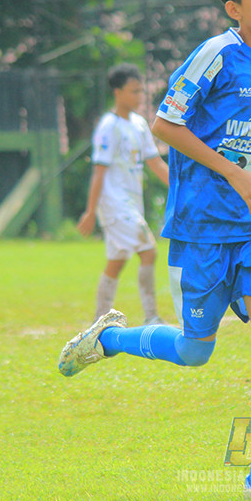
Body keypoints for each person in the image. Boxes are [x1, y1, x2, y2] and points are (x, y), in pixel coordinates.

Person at [58, 0, 251, 499]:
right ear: (233, 7)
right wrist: (233, 174)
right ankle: (113, 339)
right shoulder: (213, 55)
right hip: (201, 226)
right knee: (195, 351)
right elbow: (165, 125)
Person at [77, 63, 170, 325]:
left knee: (117, 260)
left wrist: (180, 189)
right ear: (117, 92)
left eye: (141, 91)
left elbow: (156, 164)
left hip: (131, 204)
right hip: (115, 204)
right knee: (149, 251)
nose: (139, 97)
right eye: (133, 91)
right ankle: (152, 316)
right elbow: (99, 171)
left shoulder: (140, 124)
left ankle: (98, 321)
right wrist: (90, 210)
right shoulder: (109, 126)